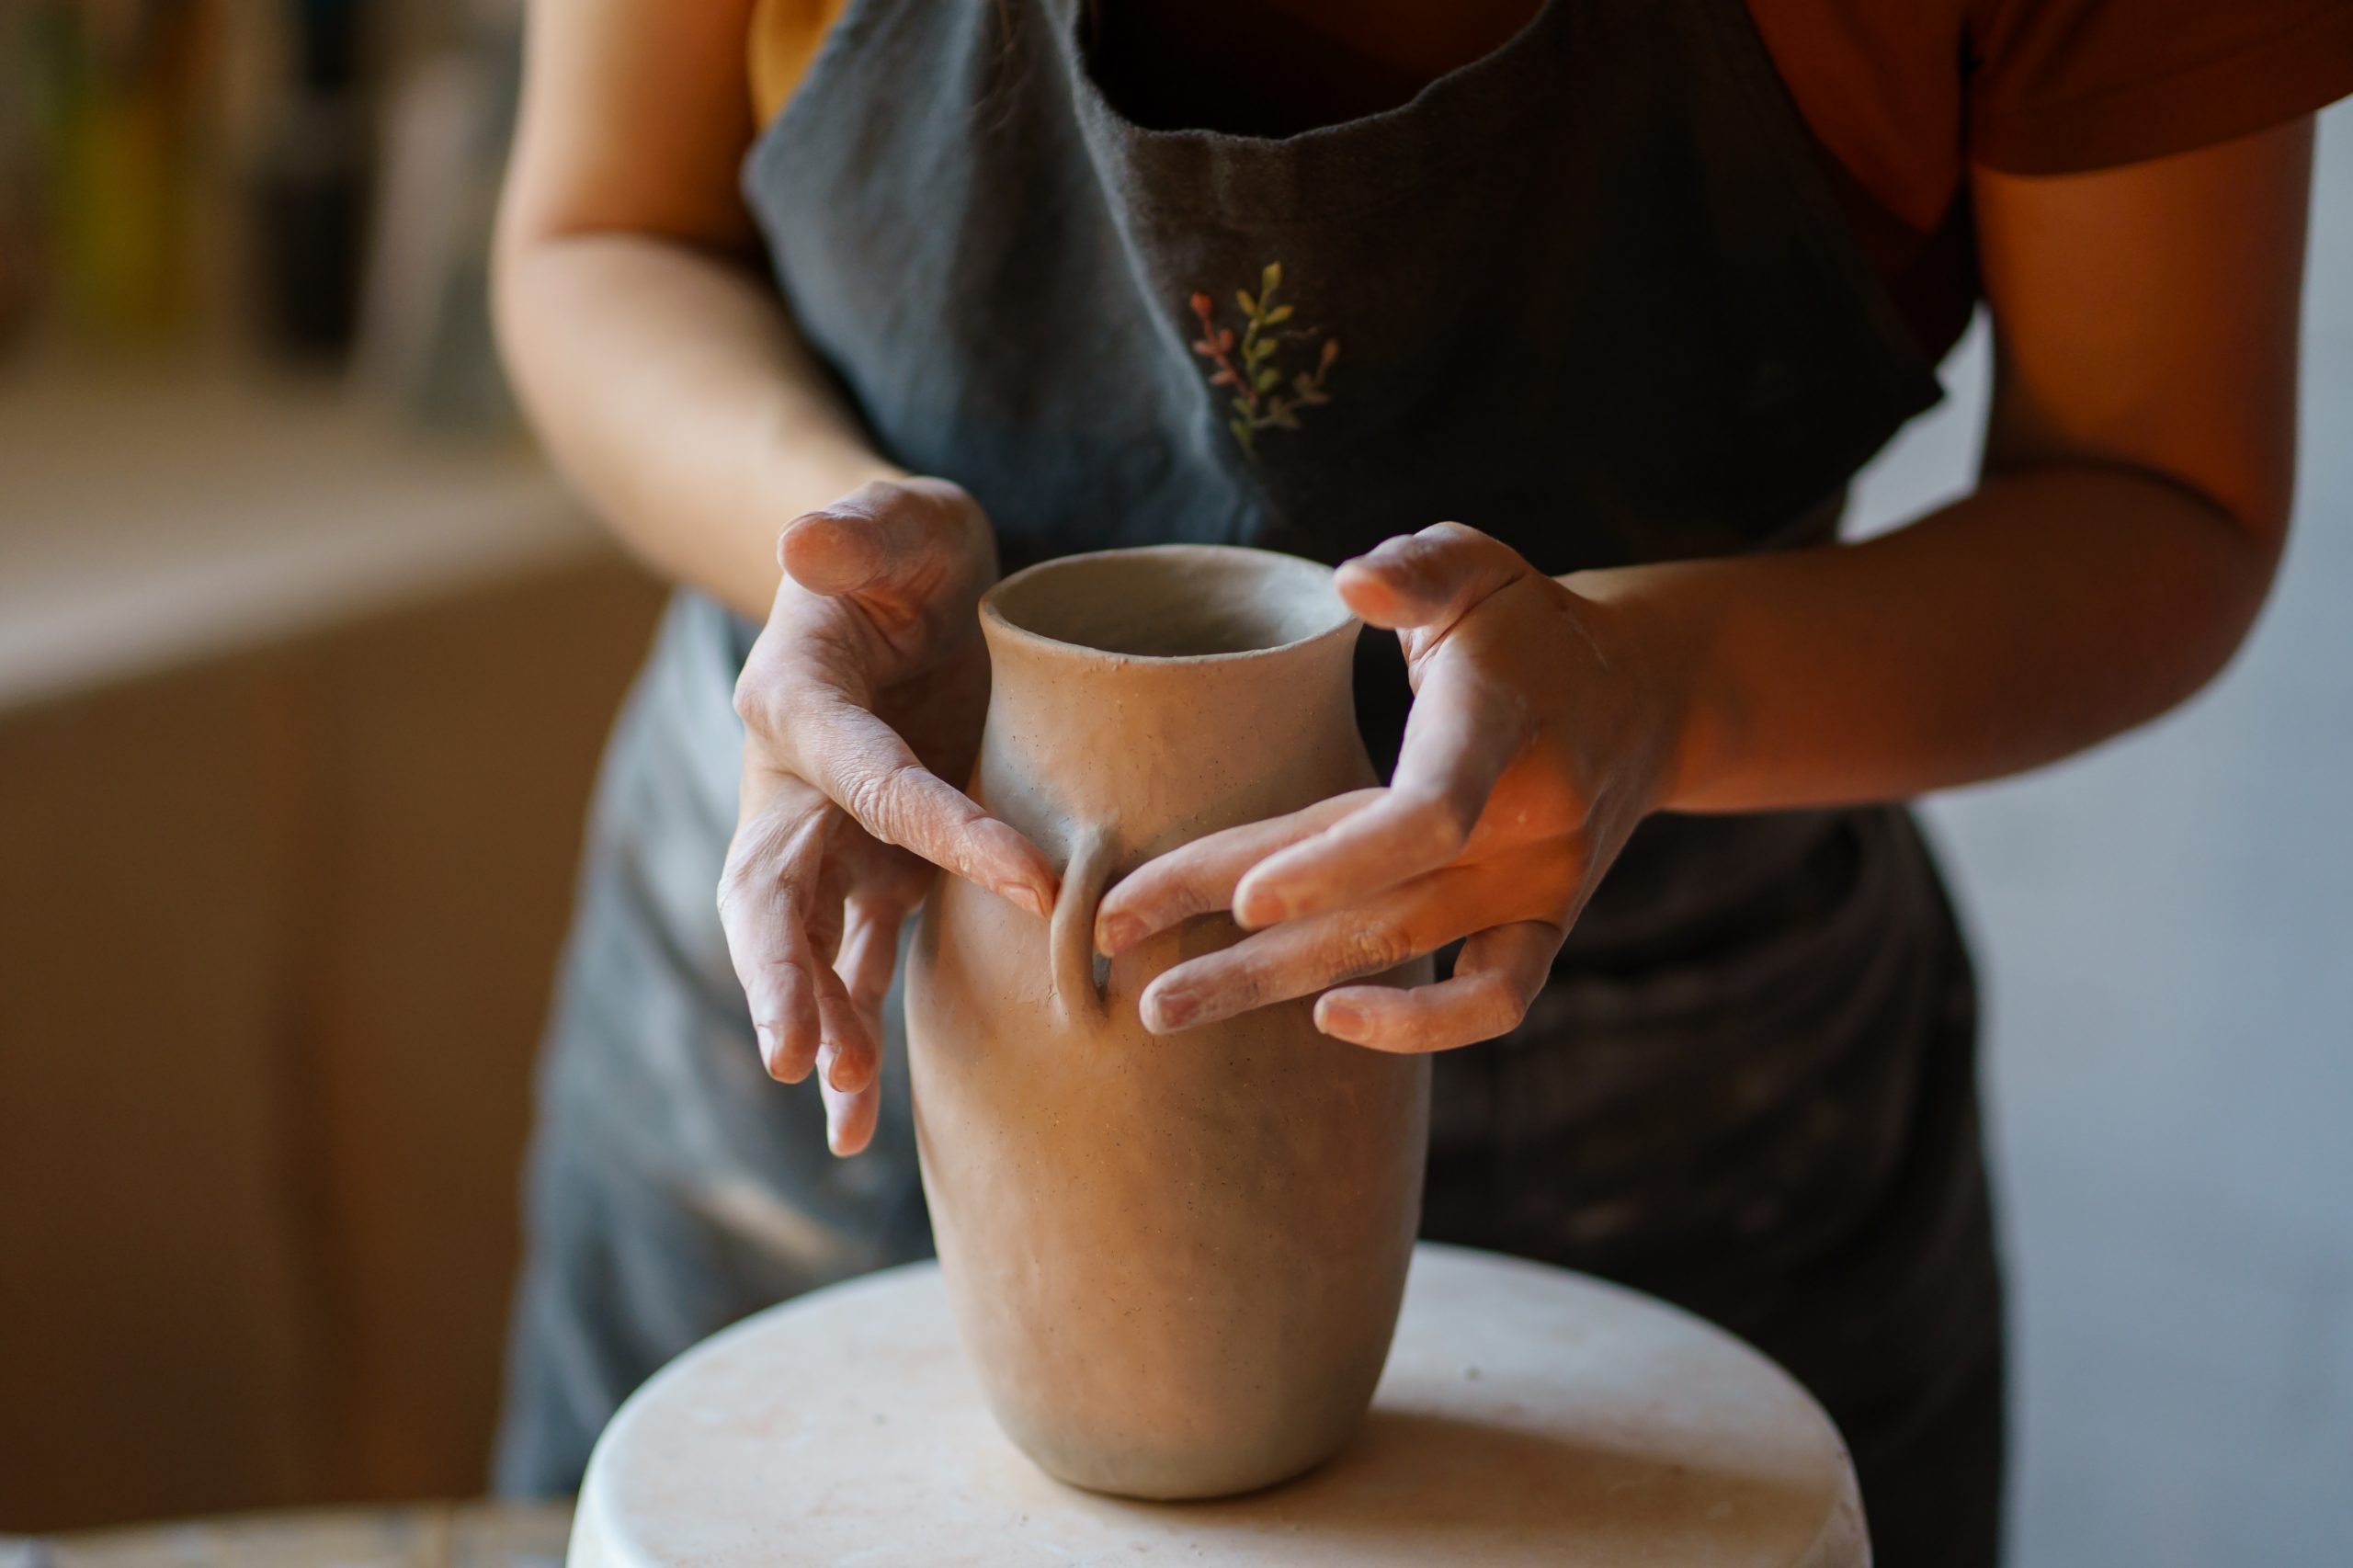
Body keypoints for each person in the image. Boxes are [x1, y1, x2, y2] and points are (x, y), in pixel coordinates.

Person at [487, 0, 2353, 1560]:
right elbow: (600, 231)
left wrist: (1643, 688)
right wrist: (820, 556)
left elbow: (2157, 485)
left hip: (1669, 1081)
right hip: (848, 930)